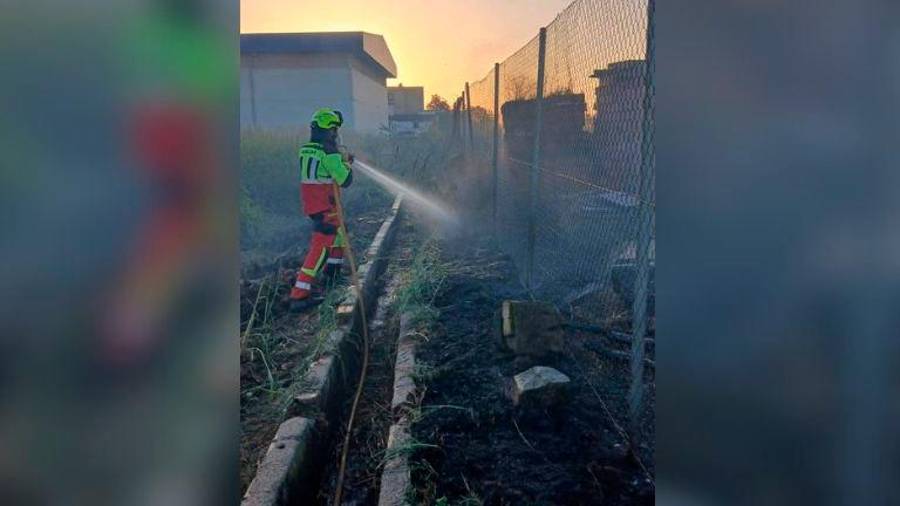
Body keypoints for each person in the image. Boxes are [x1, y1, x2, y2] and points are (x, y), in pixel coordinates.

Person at [289, 108, 354, 312]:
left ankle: (332, 274)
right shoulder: (329, 153)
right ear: (330, 131)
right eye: (334, 130)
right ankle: (299, 295)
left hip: (313, 204)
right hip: (326, 206)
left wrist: (340, 161)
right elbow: (345, 180)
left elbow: (322, 169)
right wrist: (347, 165)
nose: (336, 134)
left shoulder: (307, 149)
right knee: (320, 247)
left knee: (340, 235)